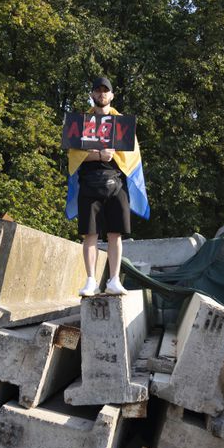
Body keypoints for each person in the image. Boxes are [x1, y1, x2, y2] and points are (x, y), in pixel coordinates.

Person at [65, 77, 149, 296]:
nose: (102, 94)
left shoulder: (122, 123)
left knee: (115, 234)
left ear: (112, 95)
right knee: (89, 234)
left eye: (106, 90)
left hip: (116, 183)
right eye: (98, 90)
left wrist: (110, 155)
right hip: (89, 183)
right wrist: (98, 155)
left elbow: (132, 156)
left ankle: (113, 280)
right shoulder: (80, 122)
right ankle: (91, 280)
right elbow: (73, 154)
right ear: (92, 94)